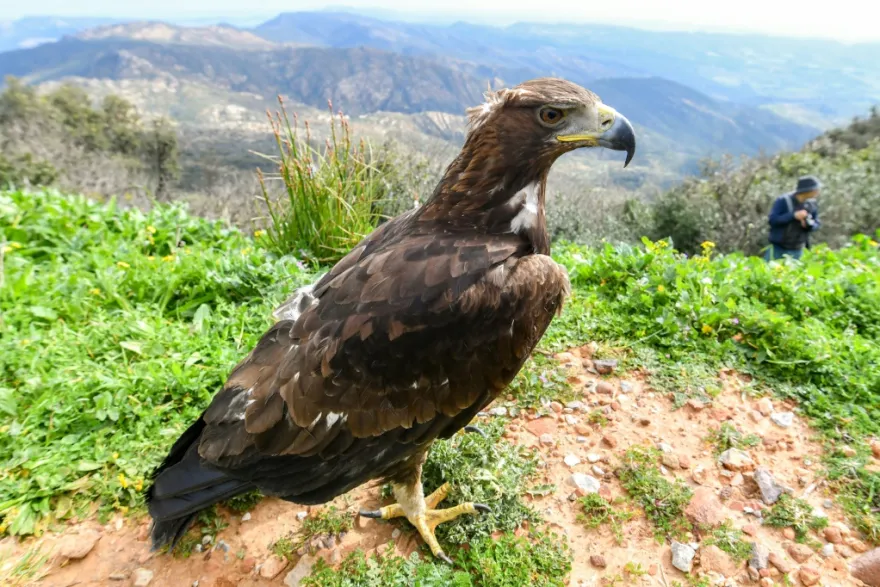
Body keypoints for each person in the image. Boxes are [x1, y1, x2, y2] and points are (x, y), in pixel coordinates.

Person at [764, 175, 821, 261]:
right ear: (807, 190)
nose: (817, 192)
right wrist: (793, 216)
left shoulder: (811, 204)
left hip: (798, 250)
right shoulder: (784, 200)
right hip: (777, 249)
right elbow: (773, 220)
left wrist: (809, 225)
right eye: (815, 189)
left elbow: (817, 223)